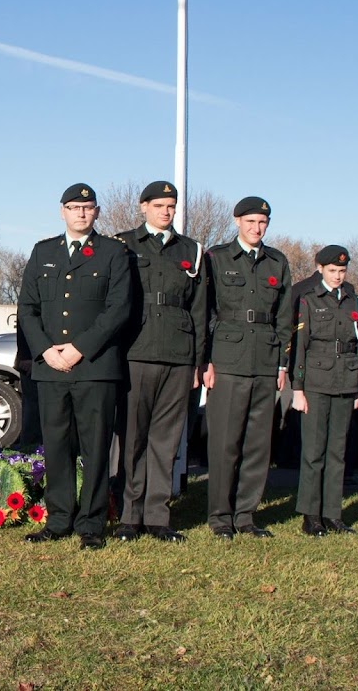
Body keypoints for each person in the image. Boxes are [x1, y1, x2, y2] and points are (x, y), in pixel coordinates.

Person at [17, 183, 132, 550]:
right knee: (56, 445)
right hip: (51, 367)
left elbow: (119, 309)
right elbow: (27, 308)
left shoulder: (114, 253)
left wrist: (79, 348)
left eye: (87, 207)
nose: (81, 213)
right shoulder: (43, 251)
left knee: (95, 447)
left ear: (97, 212)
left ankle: (92, 524)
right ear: (62, 211)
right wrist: (45, 351)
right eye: (73, 207)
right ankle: (59, 519)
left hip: (95, 367)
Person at [113, 180, 208, 544]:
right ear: (143, 207)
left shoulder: (192, 251)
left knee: (166, 442)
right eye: (159, 205)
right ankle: (128, 515)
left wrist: (198, 361)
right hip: (136, 351)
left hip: (178, 356)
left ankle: (158, 517)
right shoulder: (123, 245)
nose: (166, 211)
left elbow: (199, 310)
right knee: (132, 439)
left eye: (171, 206)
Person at [202, 196, 292, 540]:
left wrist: (282, 362)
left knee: (258, 444)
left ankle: (246, 515)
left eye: (263, 223)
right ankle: (220, 516)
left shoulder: (277, 262)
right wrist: (206, 359)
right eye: (251, 221)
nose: (257, 228)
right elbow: (206, 311)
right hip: (228, 360)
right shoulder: (217, 258)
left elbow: (284, 316)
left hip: (265, 360)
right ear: (237, 221)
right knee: (225, 442)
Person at [290, 245, 358, 536]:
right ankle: (311, 516)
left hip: (346, 382)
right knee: (313, 453)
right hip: (316, 384)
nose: (337, 276)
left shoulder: (354, 301)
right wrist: (298, 388)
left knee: (337, 452)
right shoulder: (308, 300)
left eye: (342, 271)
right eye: (332, 270)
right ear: (320, 269)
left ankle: (333, 514)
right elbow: (300, 347)